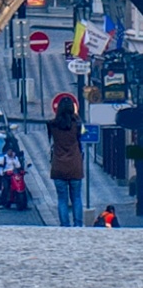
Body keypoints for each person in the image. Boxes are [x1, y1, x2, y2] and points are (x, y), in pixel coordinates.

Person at [46, 92, 85, 226]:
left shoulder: (52, 125)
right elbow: (82, 136)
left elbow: (50, 140)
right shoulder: (77, 125)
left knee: (62, 199)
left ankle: (64, 225)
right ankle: (78, 224)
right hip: (75, 165)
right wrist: (76, 114)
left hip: (58, 166)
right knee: (77, 198)